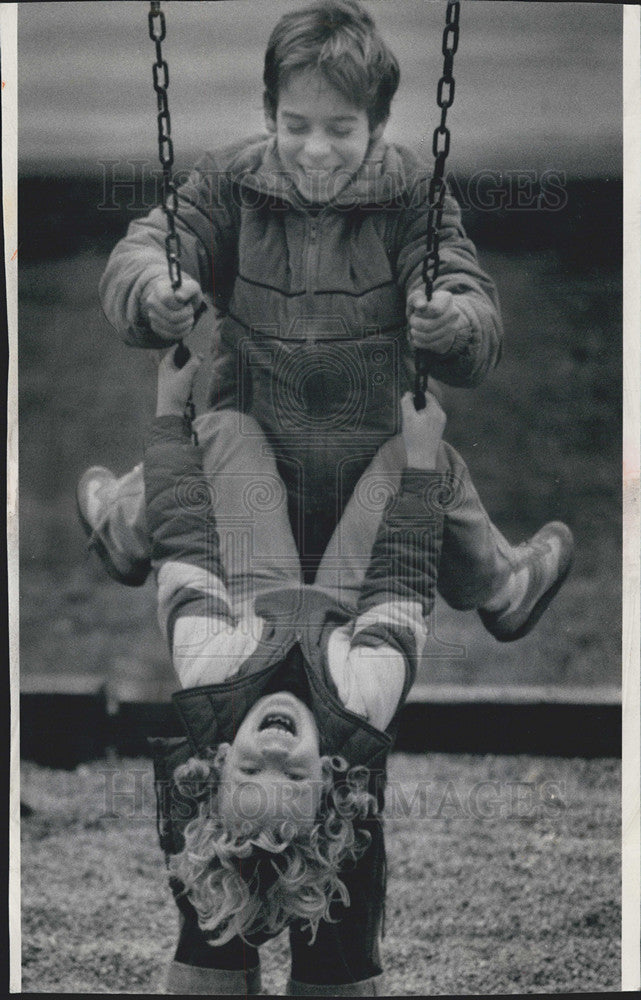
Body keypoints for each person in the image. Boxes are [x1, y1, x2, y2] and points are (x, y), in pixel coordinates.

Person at [97, 0, 573, 638]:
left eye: (341, 130)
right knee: (211, 439)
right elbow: (144, 249)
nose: (316, 151)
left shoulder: (413, 198)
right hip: (253, 455)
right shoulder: (230, 183)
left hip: (364, 462)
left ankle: (501, 585)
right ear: (269, 114)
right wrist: (156, 288)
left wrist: (453, 322)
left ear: (377, 126)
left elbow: (470, 297)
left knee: (429, 466)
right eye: (295, 126)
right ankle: (125, 527)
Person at [81, 349, 452, 995]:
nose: (274, 749)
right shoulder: (363, 701)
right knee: (414, 459)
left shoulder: (210, 672)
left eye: (252, 768)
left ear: (220, 758)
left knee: (228, 431)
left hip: (257, 601)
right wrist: (420, 468)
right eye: (293, 771)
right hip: (345, 610)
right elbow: (402, 580)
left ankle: (120, 518)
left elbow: (186, 541)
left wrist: (170, 411)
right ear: (330, 775)